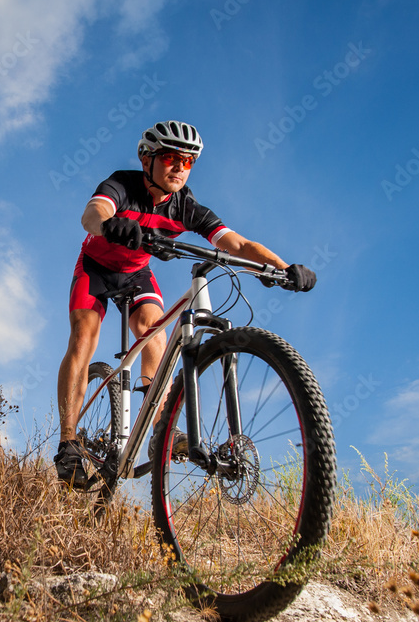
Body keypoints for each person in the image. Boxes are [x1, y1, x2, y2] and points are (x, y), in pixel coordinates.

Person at [54, 120, 317, 488]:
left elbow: (238, 245)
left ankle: (159, 423)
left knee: (155, 333)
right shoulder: (122, 184)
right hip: (96, 268)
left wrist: (283, 267)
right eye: (171, 157)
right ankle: (68, 442)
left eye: (188, 161)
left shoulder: (185, 207)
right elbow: (92, 214)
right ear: (147, 159)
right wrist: (111, 225)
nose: (179, 167)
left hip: (136, 274)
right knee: (84, 337)